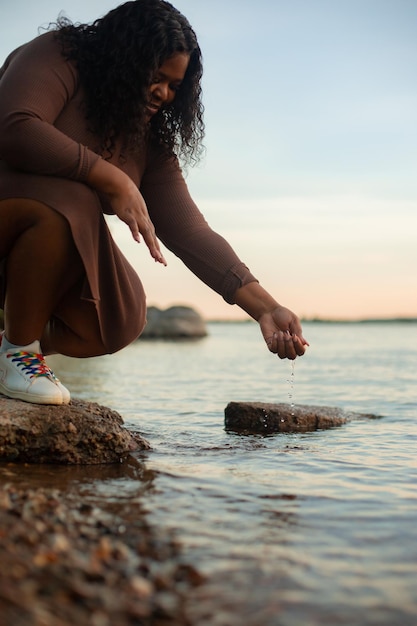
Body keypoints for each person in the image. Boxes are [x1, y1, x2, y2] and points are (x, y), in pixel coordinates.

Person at [0, 0, 308, 406]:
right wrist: (108, 177)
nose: (163, 93)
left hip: (31, 250)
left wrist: (266, 308)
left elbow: (190, 231)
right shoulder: (60, 54)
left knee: (123, 313)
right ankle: (19, 351)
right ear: (122, 58)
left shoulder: (148, 143)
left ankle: (11, 346)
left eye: (174, 86)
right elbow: (14, 125)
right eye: (155, 77)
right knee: (73, 197)